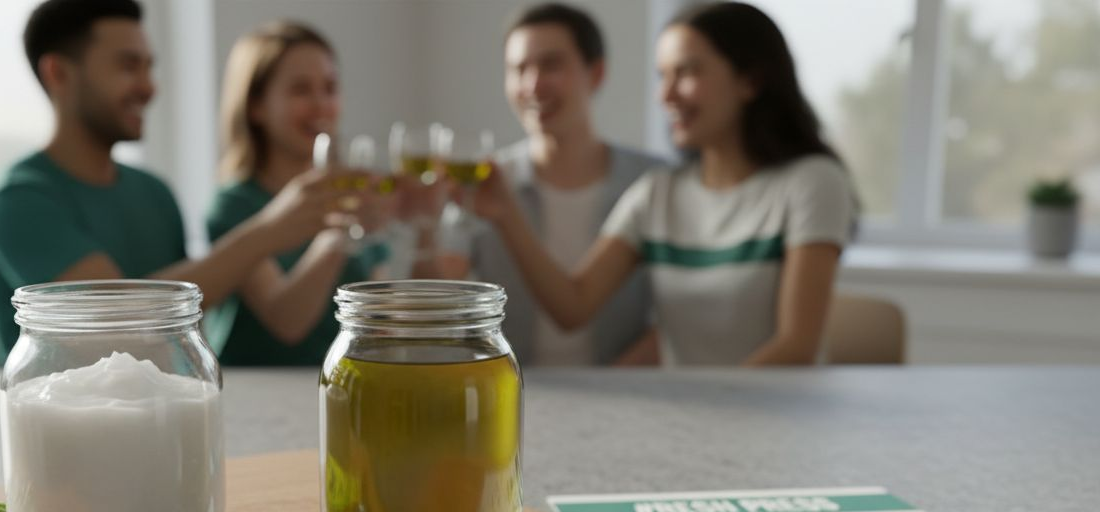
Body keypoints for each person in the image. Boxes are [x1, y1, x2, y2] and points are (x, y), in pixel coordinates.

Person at [466, 1, 856, 365]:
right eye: (662, 76)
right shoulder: (657, 194)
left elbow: (796, 347)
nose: (666, 95)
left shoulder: (811, 183)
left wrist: (709, 415)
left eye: (687, 72)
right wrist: (506, 213)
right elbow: (572, 307)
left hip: (771, 422)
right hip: (685, 422)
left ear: (749, 81)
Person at [0, 0, 341, 362]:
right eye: (128, 66)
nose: (149, 88)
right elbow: (114, 327)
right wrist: (271, 229)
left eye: (150, 67)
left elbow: (183, 333)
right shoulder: (17, 201)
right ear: (59, 74)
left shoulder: (154, 193)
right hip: (69, 417)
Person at [423, 3, 663, 366]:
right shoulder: (483, 182)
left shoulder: (650, 182)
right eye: (519, 69)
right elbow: (439, 303)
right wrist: (421, 223)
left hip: (628, 392)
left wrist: (619, 384)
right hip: (513, 394)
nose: (532, 85)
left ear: (595, 74)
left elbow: (678, 318)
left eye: (551, 65)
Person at [204, 21, 390, 366]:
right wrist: (340, 229)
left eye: (330, 88)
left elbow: (383, 322)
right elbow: (287, 320)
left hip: (336, 387)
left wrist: (426, 226)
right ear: (256, 106)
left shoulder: (354, 195)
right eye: (301, 90)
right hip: (260, 397)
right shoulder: (235, 206)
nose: (321, 104)